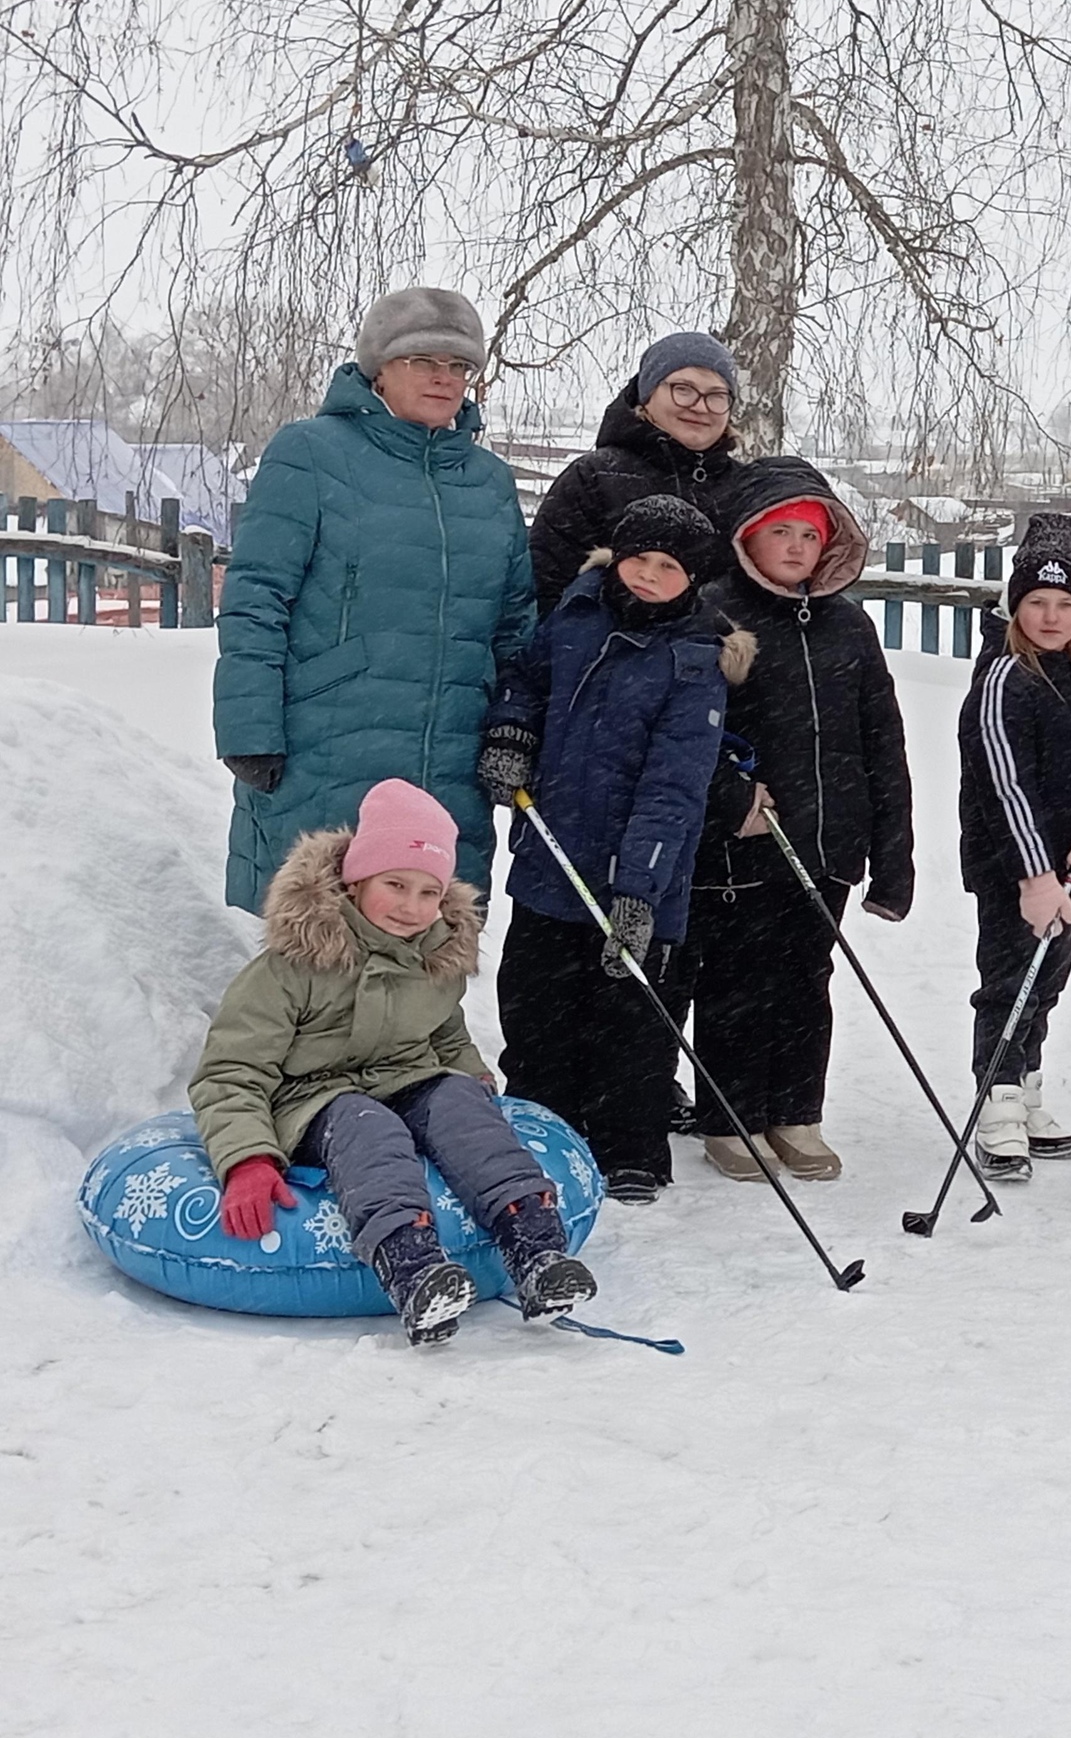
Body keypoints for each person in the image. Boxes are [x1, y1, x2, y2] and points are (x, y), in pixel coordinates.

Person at [189, 780, 597, 1347]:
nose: (411, 907)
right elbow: (232, 1070)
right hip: (314, 1101)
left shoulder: (435, 956)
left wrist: (472, 1076)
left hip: (406, 1079)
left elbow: (446, 1032)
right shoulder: (292, 967)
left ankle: (535, 1248)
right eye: (395, 884)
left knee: (457, 1100)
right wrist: (248, 1159)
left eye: (428, 892)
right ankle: (413, 1268)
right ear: (356, 881)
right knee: (366, 1122)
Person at [213, 288, 536, 913]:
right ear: (377, 369)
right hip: (326, 744)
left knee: (428, 942)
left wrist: (514, 731)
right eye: (424, 362)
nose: (445, 380)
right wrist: (249, 729)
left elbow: (515, 628)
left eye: (460, 367)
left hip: (450, 752)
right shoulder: (310, 454)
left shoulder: (489, 481)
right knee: (322, 943)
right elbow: (257, 596)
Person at [477, 496, 750, 1203]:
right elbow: (526, 683)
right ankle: (541, 1128)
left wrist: (640, 889)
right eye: (639, 559)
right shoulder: (573, 619)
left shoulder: (697, 659)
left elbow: (675, 787)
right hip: (550, 855)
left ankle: (629, 1146)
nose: (650, 576)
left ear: (692, 577)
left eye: (669, 566)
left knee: (631, 1020)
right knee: (536, 1007)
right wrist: (512, 734)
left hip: (640, 880)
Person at [684, 458, 915, 1184]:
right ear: (747, 539)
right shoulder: (714, 614)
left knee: (806, 981)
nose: (793, 548)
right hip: (745, 841)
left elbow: (883, 738)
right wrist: (731, 798)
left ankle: (795, 1110)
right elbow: (690, 731)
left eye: (808, 536)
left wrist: (893, 851)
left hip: (828, 840)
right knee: (735, 982)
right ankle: (731, 1116)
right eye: (777, 532)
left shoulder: (849, 626)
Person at [956, 514, 1071, 1180]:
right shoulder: (1006, 678)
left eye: (1066, 605)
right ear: (1016, 607)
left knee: (1048, 982)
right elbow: (1006, 786)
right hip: (1015, 868)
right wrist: (1034, 875)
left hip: (1069, 861)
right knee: (1010, 982)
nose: (1052, 616)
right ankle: (996, 1104)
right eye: (1037, 602)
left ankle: (1027, 1091)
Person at [527, 331, 757, 612]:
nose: (700, 406)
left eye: (717, 395)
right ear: (647, 394)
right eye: (683, 390)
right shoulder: (594, 478)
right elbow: (544, 588)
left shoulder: (748, 489)